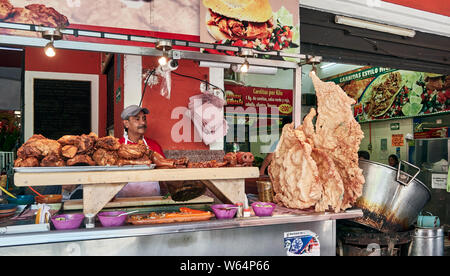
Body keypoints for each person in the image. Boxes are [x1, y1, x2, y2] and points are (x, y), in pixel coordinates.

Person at [116, 105, 165, 197]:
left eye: (144, 118)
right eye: (137, 119)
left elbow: (164, 171)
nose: (142, 122)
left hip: (152, 200)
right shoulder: (118, 146)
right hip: (124, 201)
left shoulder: (153, 145)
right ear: (126, 123)